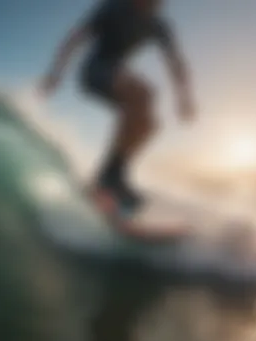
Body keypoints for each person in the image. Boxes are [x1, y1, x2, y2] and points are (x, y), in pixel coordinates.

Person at [41, 0, 196, 216]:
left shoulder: (159, 25)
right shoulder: (114, 7)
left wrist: (184, 98)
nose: (154, 6)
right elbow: (76, 38)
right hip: (94, 72)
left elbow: (175, 62)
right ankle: (109, 178)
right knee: (142, 93)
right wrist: (54, 74)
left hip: (118, 74)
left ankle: (113, 173)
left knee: (149, 125)